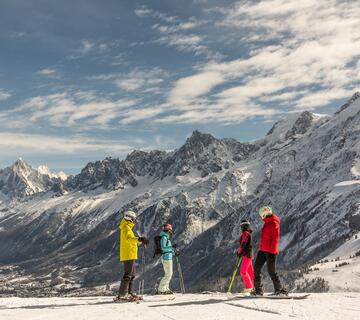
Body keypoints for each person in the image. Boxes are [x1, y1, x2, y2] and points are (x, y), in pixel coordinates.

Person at [114, 210, 149, 301]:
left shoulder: (127, 227)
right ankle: (122, 294)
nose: (134, 220)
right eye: (134, 219)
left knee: (132, 275)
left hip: (130, 254)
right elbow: (129, 239)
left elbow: (130, 240)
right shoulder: (126, 228)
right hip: (128, 254)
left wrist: (139, 241)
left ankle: (129, 293)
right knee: (128, 275)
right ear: (131, 218)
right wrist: (139, 239)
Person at [253, 206, 287, 296]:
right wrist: (261, 248)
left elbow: (275, 239)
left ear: (264, 215)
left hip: (270, 251)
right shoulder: (267, 223)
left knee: (271, 271)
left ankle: (279, 290)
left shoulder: (274, 223)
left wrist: (272, 252)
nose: (261, 217)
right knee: (256, 268)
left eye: (261, 216)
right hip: (263, 250)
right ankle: (258, 291)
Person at [157, 223, 177, 294]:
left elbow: (169, 249)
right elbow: (163, 248)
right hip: (166, 258)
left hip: (168, 257)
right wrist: (172, 247)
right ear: (168, 230)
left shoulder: (166, 237)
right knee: (168, 274)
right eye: (170, 230)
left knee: (169, 274)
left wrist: (175, 253)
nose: (171, 231)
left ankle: (166, 288)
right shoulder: (164, 237)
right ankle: (161, 289)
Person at [236, 219, 254, 296]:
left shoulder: (245, 233)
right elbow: (244, 244)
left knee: (243, 271)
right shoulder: (248, 233)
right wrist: (240, 252)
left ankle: (249, 288)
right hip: (249, 254)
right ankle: (255, 287)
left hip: (247, 255)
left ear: (242, 226)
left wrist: (239, 252)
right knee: (250, 272)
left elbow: (243, 244)